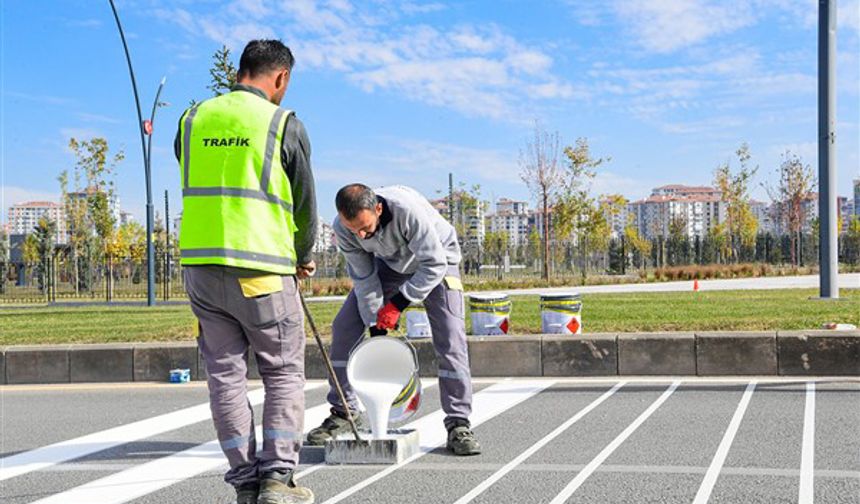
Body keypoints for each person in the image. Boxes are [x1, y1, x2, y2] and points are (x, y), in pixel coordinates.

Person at [174, 39, 317, 504]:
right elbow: (304, 203)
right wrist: (302, 255)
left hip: (201, 268)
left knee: (225, 376)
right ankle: (277, 478)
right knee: (281, 372)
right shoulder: (283, 123)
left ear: (240, 72)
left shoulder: (192, 120)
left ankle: (244, 481)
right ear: (281, 79)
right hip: (262, 271)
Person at [307, 184, 481, 456]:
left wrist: (398, 303)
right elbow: (364, 279)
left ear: (378, 208)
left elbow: (433, 264)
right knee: (344, 328)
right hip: (390, 265)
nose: (361, 235)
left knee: (451, 336)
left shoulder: (406, 211)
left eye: (365, 227)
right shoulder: (344, 229)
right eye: (354, 230)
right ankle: (345, 412)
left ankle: (458, 422)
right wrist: (376, 323)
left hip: (439, 260)